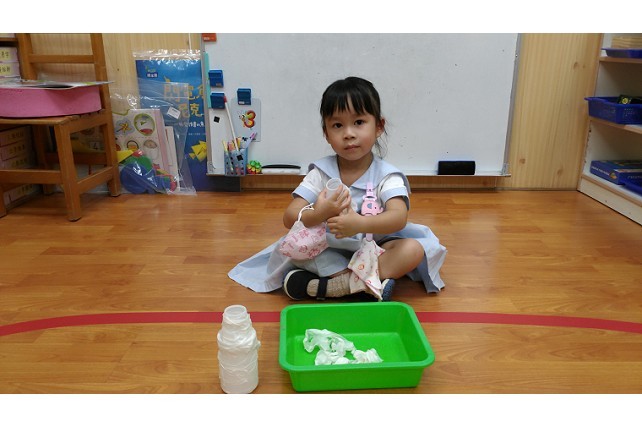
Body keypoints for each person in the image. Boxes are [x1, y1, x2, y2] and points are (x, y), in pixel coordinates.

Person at [228, 76, 446, 300]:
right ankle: (360, 285)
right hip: (329, 248)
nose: (348, 133)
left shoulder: (387, 175)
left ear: (379, 126)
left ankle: (326, 286)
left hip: (374, 247)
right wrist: (318, 214)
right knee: (296, 248)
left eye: (359, 122)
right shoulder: (321, 173)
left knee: (412, 250)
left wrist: (360, 224)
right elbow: (289, 217)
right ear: (326, 134)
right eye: (337, 125)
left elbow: (398, 217)